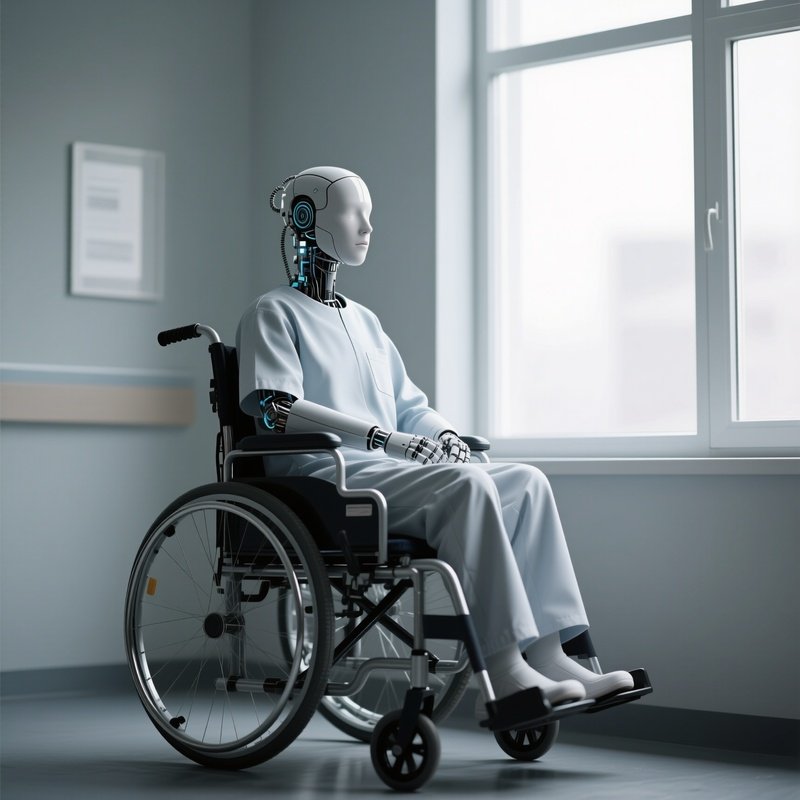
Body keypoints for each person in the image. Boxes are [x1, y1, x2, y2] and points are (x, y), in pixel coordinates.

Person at [237, 166, 633, 715]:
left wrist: (443, 435)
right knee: (467, 488)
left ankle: (549, 653)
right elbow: (276, 408)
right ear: (305, 217)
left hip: (384, 467)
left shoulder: (366, 322)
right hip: (323, 476)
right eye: (354, 211)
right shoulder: (272, 312)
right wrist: (382, 437)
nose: (367, 226)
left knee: (526, 482)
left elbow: (409, 405)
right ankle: (505, 667)